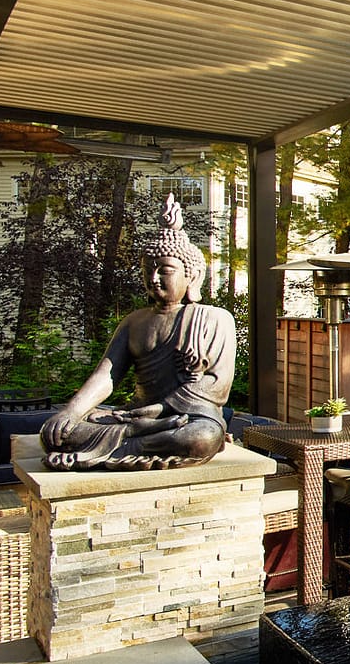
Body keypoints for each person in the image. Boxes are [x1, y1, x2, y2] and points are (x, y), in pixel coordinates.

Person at [40, 196, 235, 471]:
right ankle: (136, 437)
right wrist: (72, 411)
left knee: (202, 438)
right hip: (136, 416)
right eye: (148, 270)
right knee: (56, 435)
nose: (154, 278)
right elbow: (106, 376)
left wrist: (159, 410)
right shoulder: (134, 321)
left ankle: (127, 444)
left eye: (165, 271)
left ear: (192, 276)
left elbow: (216, 385)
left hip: (187, 417)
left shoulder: (214, 319)